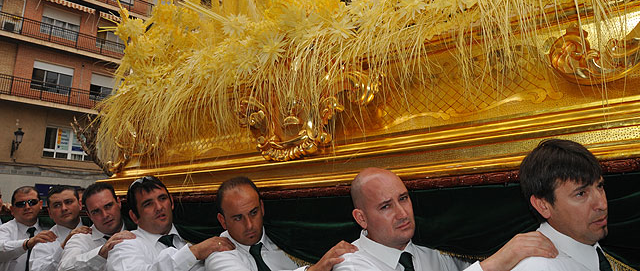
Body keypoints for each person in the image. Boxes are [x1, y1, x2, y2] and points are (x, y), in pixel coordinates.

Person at [334, 168, 558, 271]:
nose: (402, 213)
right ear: (361, 218)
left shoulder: (437, 251)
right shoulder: (351, 265)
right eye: (385, 206)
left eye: (403, 199)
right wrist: (495, 263)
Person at [205, 176, 357, 271]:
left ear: (262, 208)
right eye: (238, 218)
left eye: (253, 213)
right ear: (222, 221)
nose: (250, 225)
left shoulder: (284, 237)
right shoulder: (218, 256)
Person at [512, 139, 617, 270]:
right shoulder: (539, 266)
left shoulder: (594, 251)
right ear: (543, 206)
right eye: (581, 194)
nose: (602, 204)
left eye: (600, 186)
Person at [107, 176, 234, 271]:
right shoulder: (124, 245)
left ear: (172, 203)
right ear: (134, 216)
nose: (159, 207)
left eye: (162, 199)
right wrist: (193, 253)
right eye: (148, 204)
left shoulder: (193, 235)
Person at [59, 182, 136, 271]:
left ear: (118, 203)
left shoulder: (140, 228)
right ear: (89, 215)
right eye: (96, 211)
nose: (105, 215)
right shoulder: (81, 239)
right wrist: (101, 253)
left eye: (108, 206)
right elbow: (64, 268)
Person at [0, 187, 55, 271]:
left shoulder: (50, 228)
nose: (27, 207)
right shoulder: (4, 229)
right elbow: (1, 249)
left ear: (40, 204)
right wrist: (27, 243)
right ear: (12, 210)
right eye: (20, 204)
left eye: (32, 202)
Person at [29, 186, 84, 271]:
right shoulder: (44, 242)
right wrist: (63, 246)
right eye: (57, 205)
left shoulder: (97, 228)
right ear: (50, 212)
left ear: (80, 204)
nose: (64, 208)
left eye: (68, 202)